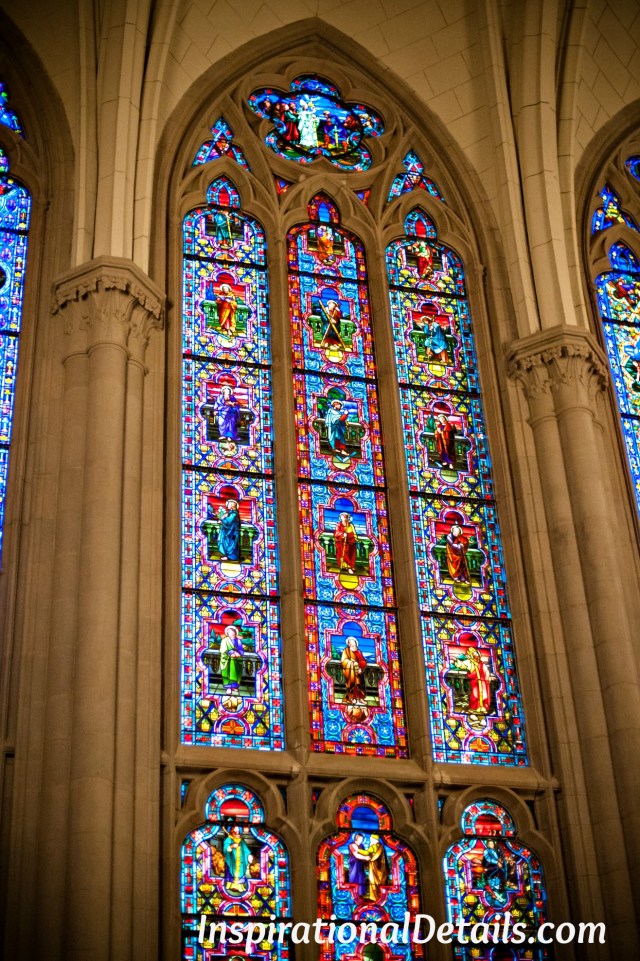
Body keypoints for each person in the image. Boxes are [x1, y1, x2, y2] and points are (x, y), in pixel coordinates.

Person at [454, 646, 491, 714]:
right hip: (475, 682)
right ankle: (473, 708)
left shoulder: (482, 664)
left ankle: (483, 707)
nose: (476, 656)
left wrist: (487, 677)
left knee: (484, 695)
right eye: (474, 654)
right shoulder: (470, 662)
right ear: (472, 656)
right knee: (475, 695)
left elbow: (486, 672)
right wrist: (457, 662)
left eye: (477, 654)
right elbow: (463, 665)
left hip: (482, 682)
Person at [223, 825, 252, 893]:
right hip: (232, 861)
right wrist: (231, 846)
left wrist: (249, 856)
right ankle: (230, 885)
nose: (237, 833)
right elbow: (225, 849)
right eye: (235, 831)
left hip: (241, 861)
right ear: (232, 831)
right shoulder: (229, 839)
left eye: (238, 831)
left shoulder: (241, 841)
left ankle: (240, 886)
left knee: (241, 872)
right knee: (231, 872)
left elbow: (246, 850)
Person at [341, 636, 367, 703]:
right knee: (352, 684)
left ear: (356, 644)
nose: (352, 645)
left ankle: (361, 698)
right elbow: (343, 661)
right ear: (348, 644)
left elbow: (363, 661)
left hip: (358, 671)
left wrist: (360, 667)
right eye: (350, 643)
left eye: (353, 644)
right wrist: (352, 663)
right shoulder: (346, 651)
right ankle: (352, 698)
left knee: (361, 684)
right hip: (350, 671)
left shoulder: (359, 652)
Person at [219, 625, 244, 693]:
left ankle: (234, 687)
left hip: (236, 660)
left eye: (234, 632)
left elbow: (241, 650)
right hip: (227, 660)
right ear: (227, 633)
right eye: (231, 632)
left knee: (236, 673)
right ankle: (228, 688)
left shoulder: (238, 641)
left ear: (236, 633)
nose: (232, 634)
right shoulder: (224, 641)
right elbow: (223, 650)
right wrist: (231, 652)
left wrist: (239, 653)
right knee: (227, 673)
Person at [363, 834, 389, 902]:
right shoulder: (372, 846)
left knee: (378, 882)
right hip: (372, 866)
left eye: (371, 838)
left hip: (379, 867)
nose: (370, 839)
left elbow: (376, 855)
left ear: (375, 839)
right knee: (372, 881)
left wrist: (369, 859)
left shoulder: (380, 846)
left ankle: (378, 898)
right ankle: (373, 897)